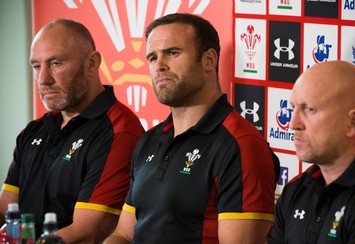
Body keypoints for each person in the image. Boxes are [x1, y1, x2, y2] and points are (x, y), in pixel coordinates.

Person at [104, 13, 279, 243]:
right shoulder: (149, 140)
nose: (159, 66)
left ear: (209, 60)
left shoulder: (242, 144)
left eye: (172, 53)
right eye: (152, 57)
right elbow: (123, 235)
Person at [0, 18, 144, 243]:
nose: (43, 79)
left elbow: (88, 233)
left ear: (92, 63)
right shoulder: (33, 131)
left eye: (56, 63)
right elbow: (7, 210)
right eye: (37, 66)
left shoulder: (120, 130)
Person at [267, 60, 355, 243]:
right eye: (293, 108)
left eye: (309, 109)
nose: (293, 124)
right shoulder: (296, 189)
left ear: (353, 122)